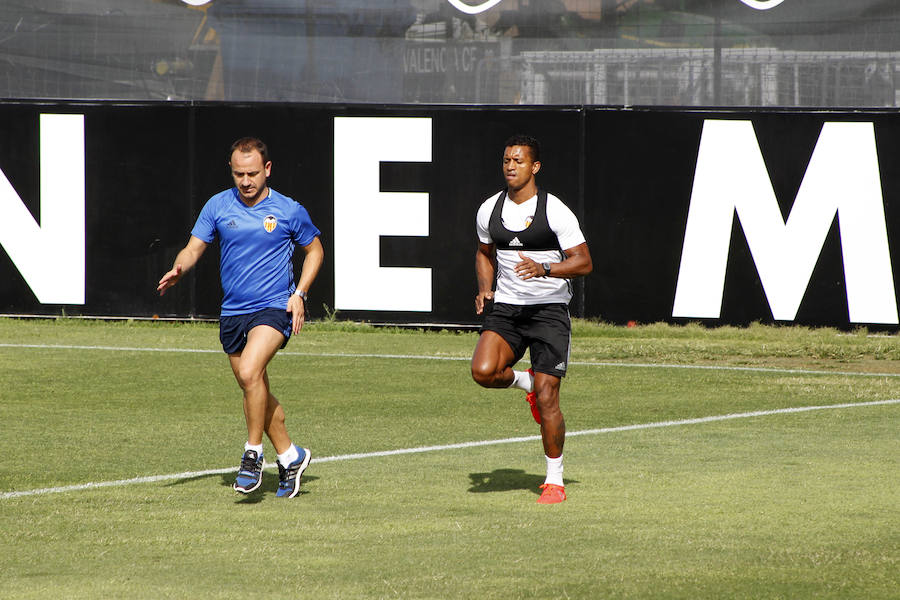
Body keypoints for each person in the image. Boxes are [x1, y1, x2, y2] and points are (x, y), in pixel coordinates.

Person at [157, 137, 324, 499]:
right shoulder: (218, 205)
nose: (245, 181)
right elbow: (194, 246)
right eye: (238, 174)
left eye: (251, 173)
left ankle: (252, 456)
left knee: (250, 373)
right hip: (233, 313)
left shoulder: (288, 209)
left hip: (274, 307)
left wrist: (299, 295)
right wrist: (179, 268)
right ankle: (291, 456)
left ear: (267, 169)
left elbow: (315, 251)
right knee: (255, 389)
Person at [471, 134, 593, 505]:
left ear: (534, 167)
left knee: (550, 396)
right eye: (507, 160)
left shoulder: (555, 211)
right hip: (507, 309)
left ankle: (554, 480)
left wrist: (545, 268)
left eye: (519, 161)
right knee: (483, 371)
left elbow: (584, 262)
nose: (511, 166)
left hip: (548, 312)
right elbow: (483, 253)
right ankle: (527, 384)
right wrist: (485, 289)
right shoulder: (489, 210)